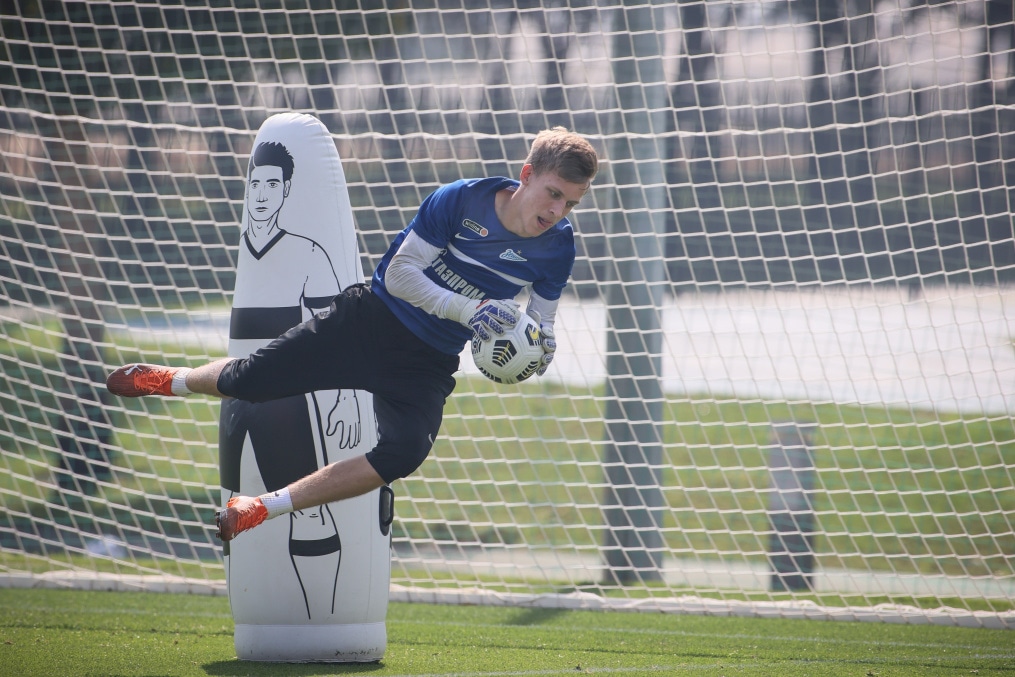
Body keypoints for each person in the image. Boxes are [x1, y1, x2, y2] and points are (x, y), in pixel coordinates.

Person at [106, 126, 599, 542]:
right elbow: (402, 275)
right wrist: (470, 310)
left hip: (427, 361)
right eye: (554, 193)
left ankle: (260, 508)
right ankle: (168, 379)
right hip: (370, 321)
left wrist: (541, 346)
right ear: (527, 175)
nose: (558, 211)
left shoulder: (558, 248)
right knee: (249, 382)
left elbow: (542, 319)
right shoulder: (460, 199)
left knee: (404, 452)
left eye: (571, 204)